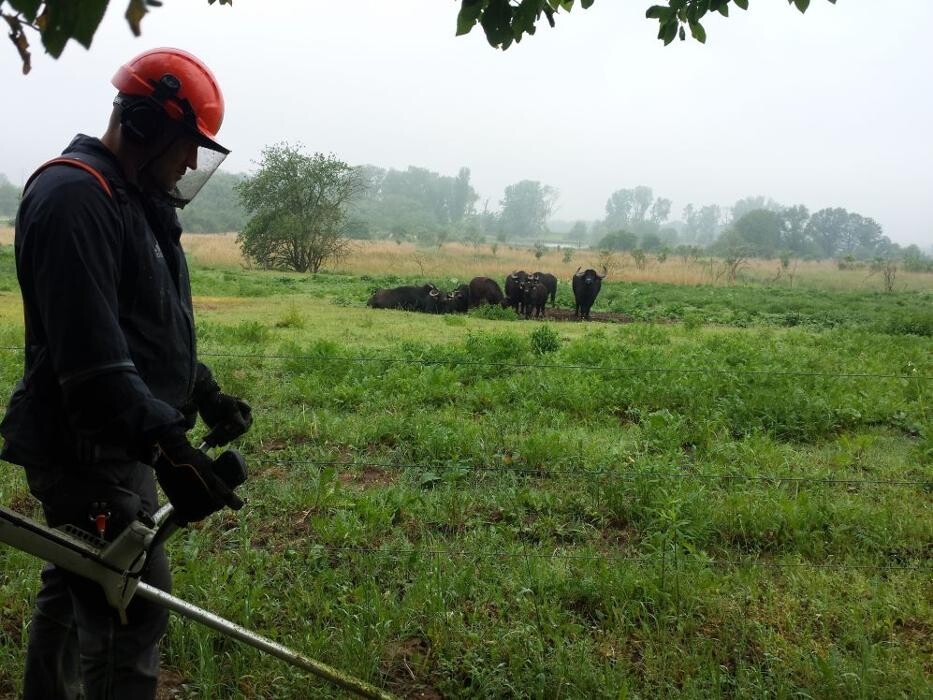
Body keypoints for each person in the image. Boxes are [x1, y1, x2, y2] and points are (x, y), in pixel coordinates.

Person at [0, 48, 252, 699]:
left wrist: (203, 391)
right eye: (185, 145)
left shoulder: (133, 198)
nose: (192, 163)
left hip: (125, 440)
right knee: (127, 608)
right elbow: (92, 363)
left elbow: (145, 328)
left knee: (73, 579)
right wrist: (171, 450)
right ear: (141, 123)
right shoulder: (74, 198)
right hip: (86, 445)